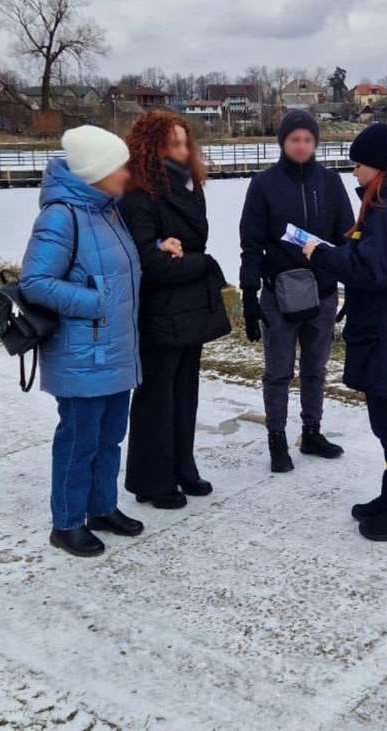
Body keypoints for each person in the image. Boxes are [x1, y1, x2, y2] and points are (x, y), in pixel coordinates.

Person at [302, 122, 387, 542]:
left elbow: (372, 270)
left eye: (358, 164)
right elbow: (379, 262)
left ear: (377, 167)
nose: (354, 172)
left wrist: (322, 255)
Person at [19, 125, 144, 559]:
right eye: (120, 166)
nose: (127, 174)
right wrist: (97, 301)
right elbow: (35, 281)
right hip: (81, 352)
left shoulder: (108, 210)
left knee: (109, 437)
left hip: (115, 347)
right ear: (96, 171)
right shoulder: (60, 216)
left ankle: (101, 507)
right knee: (79, 440)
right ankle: (67, 523)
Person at [119, 111, 230, 509]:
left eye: (185, 143)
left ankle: (183, 466)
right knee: (156, 397)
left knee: (185, 393)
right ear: (151, 147)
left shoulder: (190, 187)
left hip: (189, 307)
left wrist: (189, 258)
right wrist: (202, 264)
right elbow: (148, 261)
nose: (182, 151)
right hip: (159, 309)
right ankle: (152, 480)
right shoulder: (138, 194)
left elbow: (189, 244)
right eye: (172, 144)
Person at [239, 109, 355, 473]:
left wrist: (352, 286)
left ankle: (311, 432)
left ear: (315, 143)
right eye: (294, 139)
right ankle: (276, 436)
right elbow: (250, 244)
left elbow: (347, 239)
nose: (301, 145)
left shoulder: (331, 183)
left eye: (307, 139)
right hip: (280, 294)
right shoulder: (264, 184)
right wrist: (248, 294)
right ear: (283, 142)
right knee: (278, 371)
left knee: (315, 368)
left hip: (322, 293)